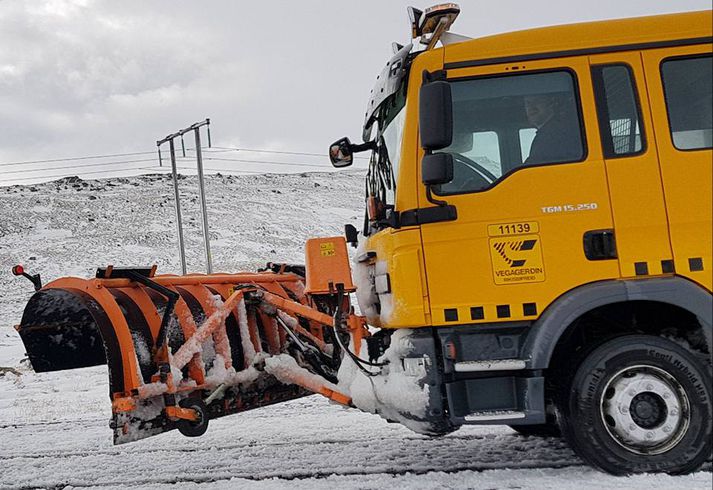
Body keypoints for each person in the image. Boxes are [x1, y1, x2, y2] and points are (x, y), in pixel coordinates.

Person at [524, 94, 582, 165]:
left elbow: (535, 163)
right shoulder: (546, 132)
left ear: (550, 104)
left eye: (537, 101)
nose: (531, 107)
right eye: (527, 103)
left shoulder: (556, 132)